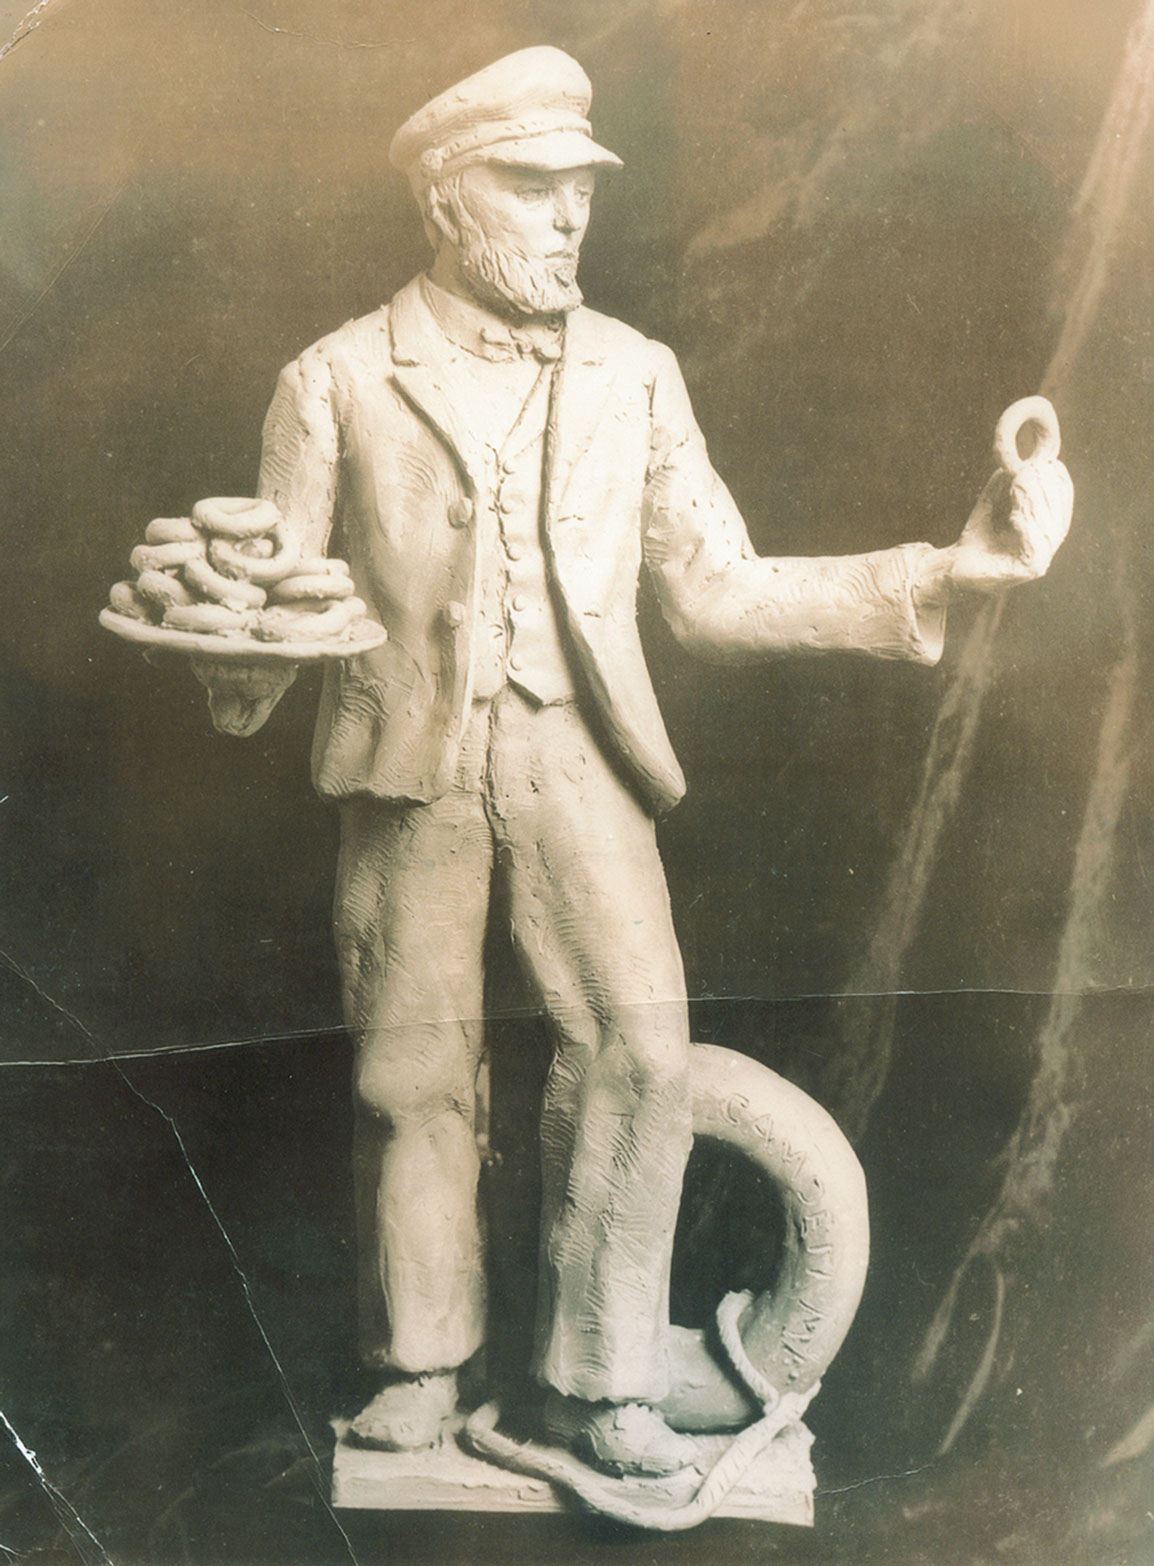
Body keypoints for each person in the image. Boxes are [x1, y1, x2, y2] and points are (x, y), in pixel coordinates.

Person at [222, 46, 1072, 1477]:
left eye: (583, 192)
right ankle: (420, 1367)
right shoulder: (334, 380)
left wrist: (949, 563)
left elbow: (717, 590)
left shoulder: (635, 375)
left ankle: (602, 1380)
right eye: (534, 185)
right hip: (405, 770)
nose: (571, 218)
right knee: (407, 1074)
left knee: (640, 1050)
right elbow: (257, 618)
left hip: (582, 765)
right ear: (446, 197)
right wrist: (220, 650)